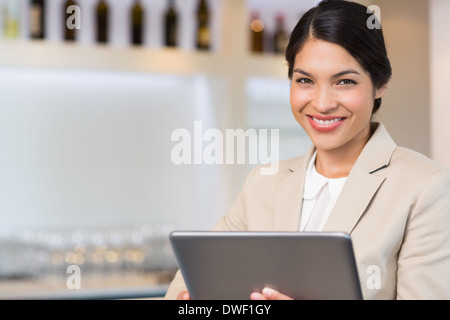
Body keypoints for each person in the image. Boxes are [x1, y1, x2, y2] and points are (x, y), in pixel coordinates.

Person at [164, 0, 450, 300]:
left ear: (380, 85)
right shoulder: (263, 182)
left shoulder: (424, 189)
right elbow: (184, 284)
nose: (323, 103)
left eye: (345, 81)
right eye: (305, 80)